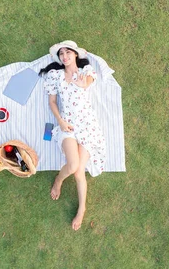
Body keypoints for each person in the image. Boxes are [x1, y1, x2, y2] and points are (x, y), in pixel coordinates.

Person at [40, 40, 106, 230]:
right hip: (67, 124)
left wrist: (81, 80)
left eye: (68, 52)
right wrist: (60, 121)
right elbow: (52, 102)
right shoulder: (55, 76)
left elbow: (87, 82)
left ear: (75, 55)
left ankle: (82, 208)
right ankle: (58, 180)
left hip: (87, 125)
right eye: (61, 54)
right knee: (73, 164)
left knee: (79, 172)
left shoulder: (86, 72)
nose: (64, 56)